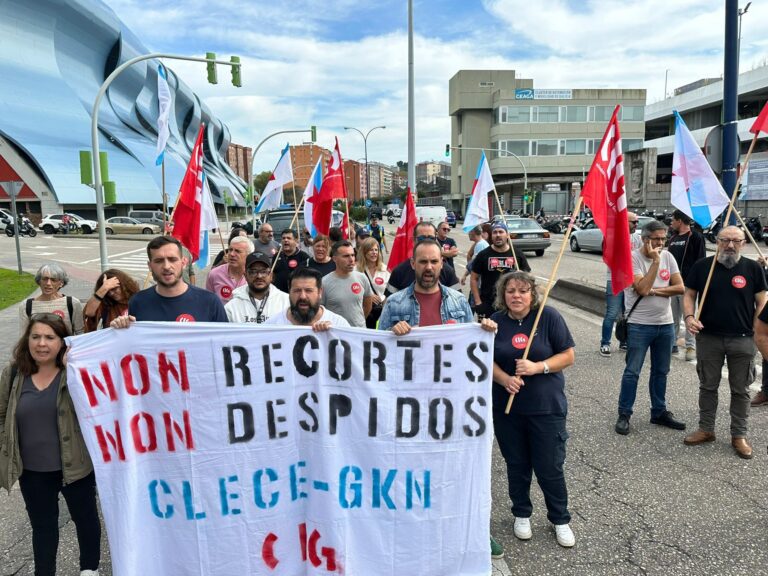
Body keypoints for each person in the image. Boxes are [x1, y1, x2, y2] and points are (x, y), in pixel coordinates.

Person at [377, 238, 504, 559]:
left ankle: (473, 529)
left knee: (460, 467)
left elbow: (469, 350)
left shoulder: (459, 303)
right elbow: (376, 353)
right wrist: (392, 334)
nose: (430, 268)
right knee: (412, 466)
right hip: (410, 403)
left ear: (442, 265)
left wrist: (484, 330)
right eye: (423, 262)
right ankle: (413, 527)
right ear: (413, 264)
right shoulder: (394, 305)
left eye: (435, 262)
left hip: (451, 403)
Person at [0, 314, 101, 576]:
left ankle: (89, 569)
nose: (41, 344)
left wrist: (77, 369)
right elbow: (1, 414)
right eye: (35, 336)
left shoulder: (76, 371)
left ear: (62, 342)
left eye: (49, 337)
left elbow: (98, 406)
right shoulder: (13, 373)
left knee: (86, 521)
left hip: (76, 468)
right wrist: (6, 447)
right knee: (43, 527)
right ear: (27, 340)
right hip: (32, 472)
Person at [490, 271, 576, 548]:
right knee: (517, 464)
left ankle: (560, 518)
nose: (517, 295)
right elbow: (483, 359)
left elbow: (568, 356)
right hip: (508, 409)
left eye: (523, 291)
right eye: (511, 290)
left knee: (549, 467)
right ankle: (521, 513)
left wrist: (538, 367)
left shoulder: (548, 317)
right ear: (503, 294)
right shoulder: (495, 323)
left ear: (532, 295)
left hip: (546, 408)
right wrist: (504, 379)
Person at [683, 226, 766, 459]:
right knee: (708, 386)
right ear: (717, 241)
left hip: (742, 339)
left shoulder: (752, 268)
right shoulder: (703, 267)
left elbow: (762, 300)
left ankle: (738, 435)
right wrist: (689, 317)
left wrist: (757, 326)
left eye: (736, 241)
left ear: (744, 243)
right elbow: (688, 294)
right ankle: (706, 429)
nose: (730, 245)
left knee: (740, 390)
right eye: (725, 240)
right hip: (708, 337)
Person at [614, 220, 686, 435]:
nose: (661, 243)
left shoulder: (669, 257)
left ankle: (659, 411)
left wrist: (655, 291)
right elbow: (643, 288)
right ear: (645, 239)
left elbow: (680, 287)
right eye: (657, 239)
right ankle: (624, 413)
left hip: (664, 325)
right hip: (639, 326)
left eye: (664, 238)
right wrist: (654, 263)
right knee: (632, 372)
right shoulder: (632, 259)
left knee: (661, 371)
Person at [112, 236, 228, 326]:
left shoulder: (210, 302)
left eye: (172, 259)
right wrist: (121, 329)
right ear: (150, 266)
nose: (167, 266)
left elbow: (225, 343)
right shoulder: (137, 302)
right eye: (159, 261)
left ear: (183, 263)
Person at [599, 212, 642, 356]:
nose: (636, 225)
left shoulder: (637, 238)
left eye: (637, 222)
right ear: (625, 222)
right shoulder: (612, 237)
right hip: (615, 280)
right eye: (633, 222)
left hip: (631, 281)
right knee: (612, 313)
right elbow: (607, 255)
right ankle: (605, 343)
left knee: (628, 313)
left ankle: (624, 341)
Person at [667, 210, 706, 360]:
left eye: (673, 220)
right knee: (672, 317)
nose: (671, 223)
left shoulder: (695, 237)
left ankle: (691, 347)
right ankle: (672, 343)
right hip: (672, 285)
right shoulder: (673, 238)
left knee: (688, 316)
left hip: (687, 286)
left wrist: (696, 282)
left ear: (680, 221)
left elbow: (700, 261)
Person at [471, 222, 531, 319]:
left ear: (507, 235)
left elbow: (528, 279)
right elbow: (474, 278)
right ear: (491, 236)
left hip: (511, 304)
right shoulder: (483, 255)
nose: (498, 235)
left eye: (501, 232)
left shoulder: (517, 254)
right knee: (487, 332)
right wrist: (478, 302)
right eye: (495, 232)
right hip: (488, 304)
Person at [386, 221, 460, 296]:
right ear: (414, 240)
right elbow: (388, 303)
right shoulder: (399, 272)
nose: (427, 242)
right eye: (422, 238)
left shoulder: (448, 272)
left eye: (431, 238)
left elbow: (458, 302)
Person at [265, 267, 350, 330]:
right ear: (289, 291)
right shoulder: (271, 325)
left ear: (320, 292)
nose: (302, 296)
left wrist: (334, 333)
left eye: (308, 290)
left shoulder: (339, 324)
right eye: (297, 290)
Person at [225, 252, 289, 323]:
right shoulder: (231, 307)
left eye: (263, 272)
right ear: (245, 275)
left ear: (271, 275)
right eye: (253, 272)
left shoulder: (286, 302)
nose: (259, 276)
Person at [20, 263, 84, 335]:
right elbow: (24, 336)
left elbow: (80, 333)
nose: (48, 283)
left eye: (53, 280)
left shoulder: (72, 303)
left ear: (61, 283)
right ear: (39, 281)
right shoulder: (26, 306)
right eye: (45, 279)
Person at [321, 240, 373, 328]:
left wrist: (359, 321)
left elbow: (368, 304)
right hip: (336, 335)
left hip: (358, 333)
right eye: (346, 256)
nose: (351, 259)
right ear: (334, 259)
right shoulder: (324, 282)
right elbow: (320, 311)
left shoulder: (362, 277)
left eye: (352, 255)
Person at [205, 235, 252, 303]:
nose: (232, 254)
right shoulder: (214, 274)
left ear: (248, 255)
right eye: (230, 250)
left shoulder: (254, 277)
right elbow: (208, 302)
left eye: (237, 251)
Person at [357, 237, 390, 328]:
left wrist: (382, 298)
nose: (374, 252)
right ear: (364, 252)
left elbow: (389, 291)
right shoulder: (356, 270)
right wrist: (368, 296)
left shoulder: (384, 269)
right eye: (371, 250)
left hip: (381, 313)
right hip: (363, 312)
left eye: (376, 250)